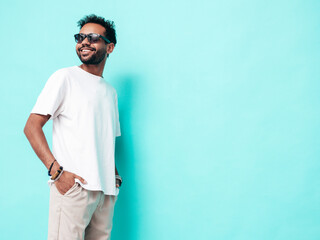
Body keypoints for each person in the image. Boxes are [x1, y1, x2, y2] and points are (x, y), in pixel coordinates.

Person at [23, 14, 122, 240]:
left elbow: (105, 139)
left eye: (93, 37)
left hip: (105, 193)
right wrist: (57, 173)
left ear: (110, 47)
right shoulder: (64, 77)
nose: (84, 42)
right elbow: (31, 127)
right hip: (74, 188)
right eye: (80, 37)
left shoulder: (110, 92)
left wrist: (114, 177)